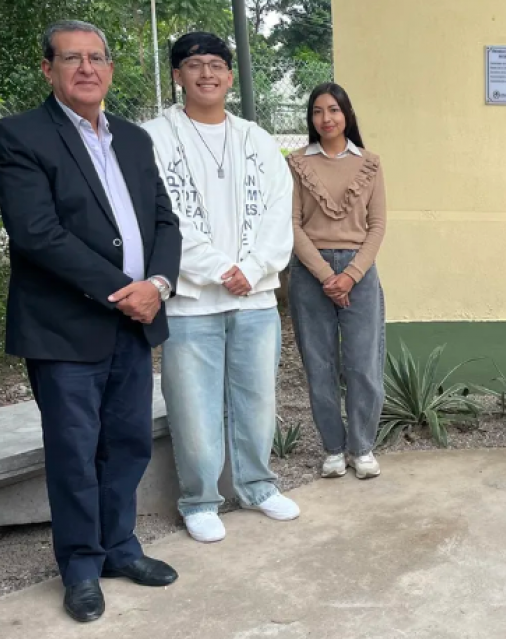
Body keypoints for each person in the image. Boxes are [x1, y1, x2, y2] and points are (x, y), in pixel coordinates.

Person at [0, 20, 182, 623]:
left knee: (125, 445)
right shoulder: (21, 135)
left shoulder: (132, 138)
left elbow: (163, 222)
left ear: (110, 69)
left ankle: (119, 548)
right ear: (48, 69)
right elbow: (36, 233)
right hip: (64, 327)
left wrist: (156, 286)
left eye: (96, 57)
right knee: (74, 452)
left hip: (134, 322)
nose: (86, 68)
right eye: (71, 58)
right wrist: (121, 289)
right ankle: (79, 567)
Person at [143, 32, 297, 544]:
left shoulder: (256, 139)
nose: (206, 73)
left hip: (254, 298)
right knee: (193, 405)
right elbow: (161, 216)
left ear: (230, 76)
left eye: (215, 65)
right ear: (177, 75)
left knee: (258, 398)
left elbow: (280, 213)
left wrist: (252, 270)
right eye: (194, 65)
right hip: (190, 301)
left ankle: (257, 485)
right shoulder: (154, 137)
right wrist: (216, 268)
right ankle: (200, 499)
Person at [287, 83, 387, 480]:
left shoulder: (370, 163)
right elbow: (291, 224)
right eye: (316, 111)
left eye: (333, 110)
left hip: (359, 272)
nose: (325, 119)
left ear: (347, 114)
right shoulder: (296, 163)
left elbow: (377, 226)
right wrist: (328, 275)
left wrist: (351, 275)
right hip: (310, 273)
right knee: (319, 363)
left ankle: (362, 447)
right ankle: (332, 448)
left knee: (363, 363)